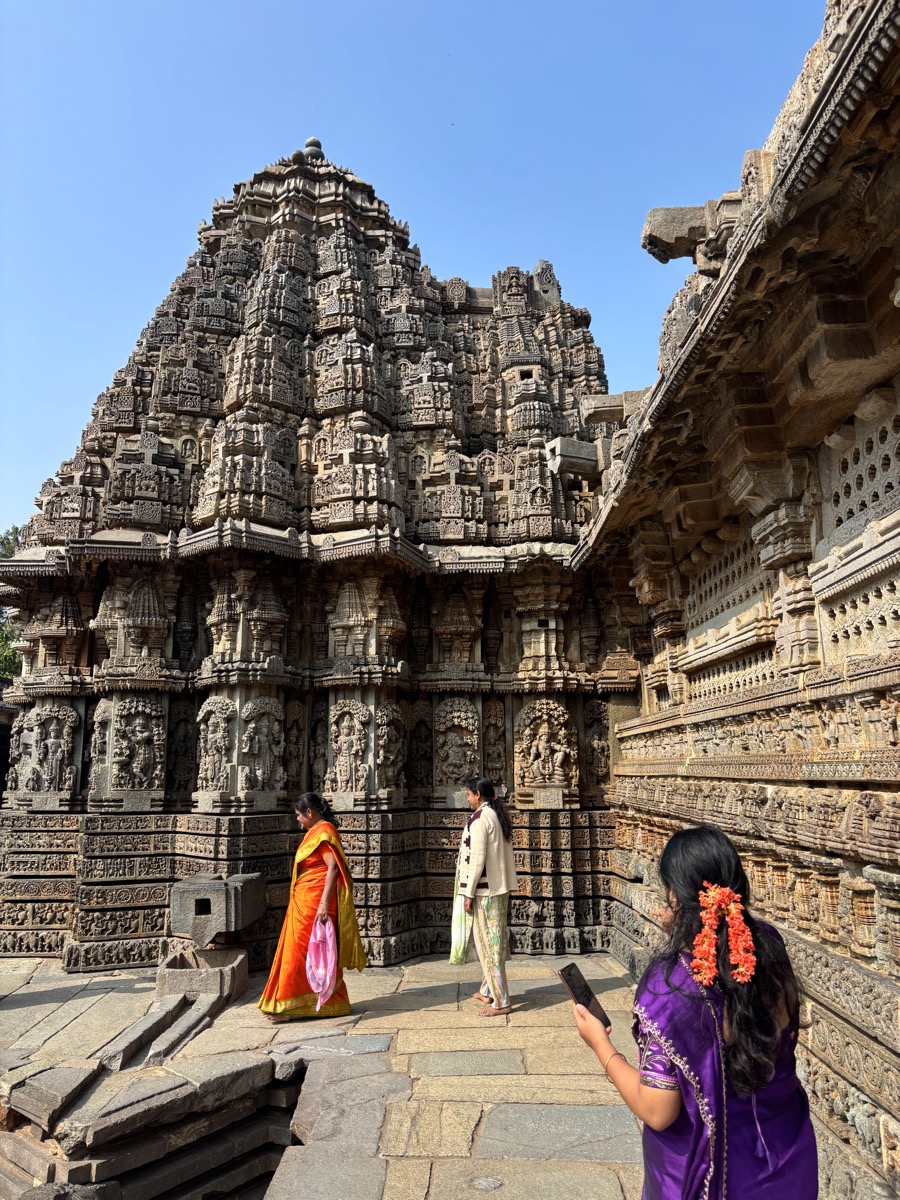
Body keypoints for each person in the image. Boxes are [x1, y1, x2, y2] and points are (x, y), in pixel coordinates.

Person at [572, 824, 817, 1200]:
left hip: (715, 1179)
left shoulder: (669, 986)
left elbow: (657, 1110)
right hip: (785, 1160)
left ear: (674, 896)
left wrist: (602, 1048)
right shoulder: (766, 946)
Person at [259, 792, 366, 1021]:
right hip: (305, 899)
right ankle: (306, 1002)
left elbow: (333, 869)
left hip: (316, 901)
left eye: (299, 815)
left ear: (309, 812)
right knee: (301, 950)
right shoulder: (315, 832)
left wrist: (324, 904)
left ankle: (291, 1006)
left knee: (304, 952)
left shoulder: (324, 831)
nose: (297, 819)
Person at [449, 777, 518, 1017]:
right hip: (498, 889)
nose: (467, 799)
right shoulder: (496, 815)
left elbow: (477, 859)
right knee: (491, 943)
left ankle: (501, 1001)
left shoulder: (479, 819)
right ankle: (489, 990)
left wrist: (468, 892)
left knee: (489, 947)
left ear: (478, 794)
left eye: (468, 795)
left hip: (486, 892)